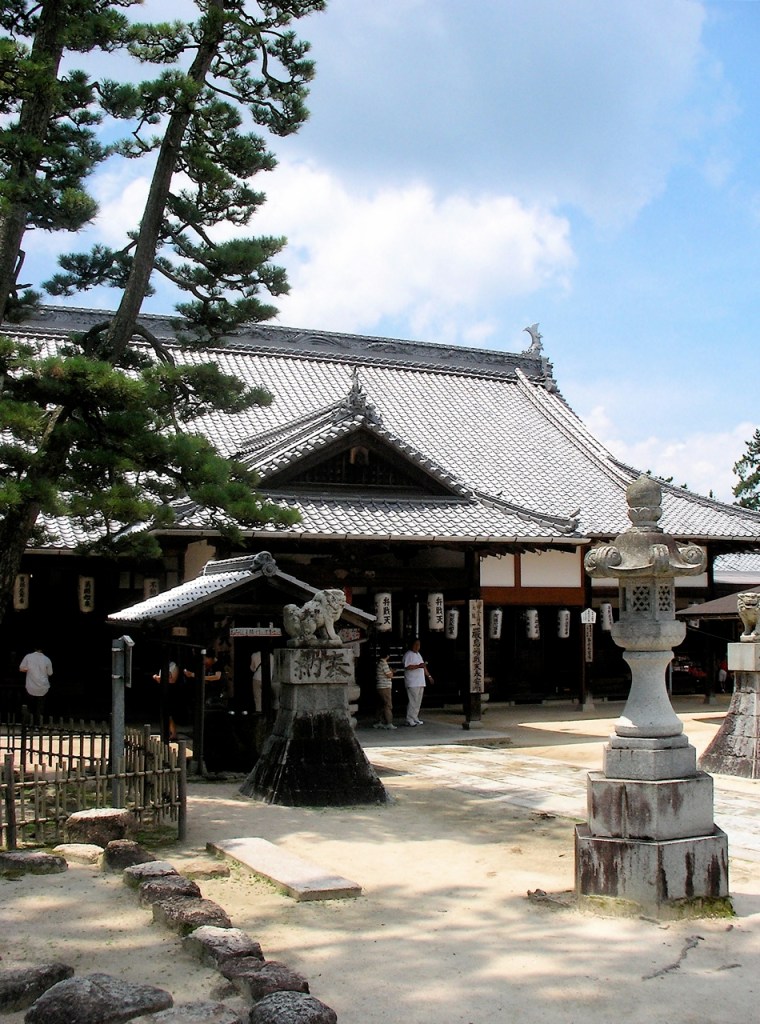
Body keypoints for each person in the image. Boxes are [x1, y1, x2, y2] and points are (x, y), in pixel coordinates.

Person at [403, 638, 433, 727]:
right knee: (413, 701)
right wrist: (418, 666)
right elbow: (407, 667)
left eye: (418, 645)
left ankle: (415, 717)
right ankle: (409, 719)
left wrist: (429, 676)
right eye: (415, 644)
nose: (417, 647)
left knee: (418, 701)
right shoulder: (408, 654)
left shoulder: (418, 654)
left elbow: (423, 666)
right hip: (412, 682)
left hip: (420, 681)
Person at [19, 646, 53, 721]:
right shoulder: (47, 659)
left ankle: (28, 724)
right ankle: (38, 725)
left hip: (31, 686)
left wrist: (29, 669)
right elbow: (50, 673)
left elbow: (21, 668)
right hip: (43, 687)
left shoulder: (28, 657)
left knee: (30, 706)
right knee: (40, 707)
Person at [152, 661, 180, 740]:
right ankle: (169, 732)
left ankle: (173, 733)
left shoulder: (174, 666)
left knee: (169, 714)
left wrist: (162, 679)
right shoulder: (163, 665)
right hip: (163, 690)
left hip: (171, 691)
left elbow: (173, 680)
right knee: (166, 714)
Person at [373, 654, 396, 730]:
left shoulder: (379, 663)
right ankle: (389, 722)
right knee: (388, 704)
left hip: (380, 686)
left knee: (381, 704)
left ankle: (379, 721)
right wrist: (392, 672)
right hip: (385, 687)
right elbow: (389, 675)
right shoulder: (384, 663)